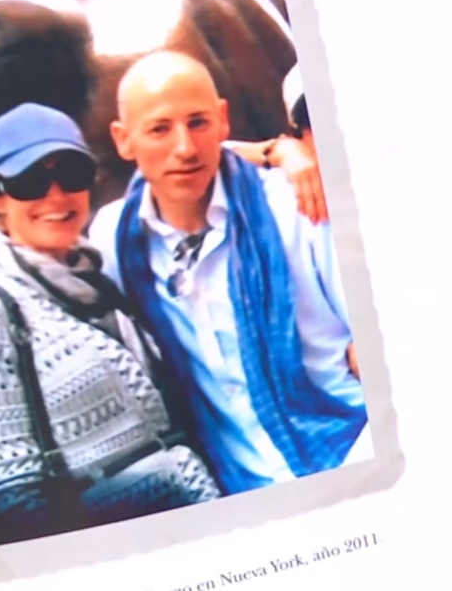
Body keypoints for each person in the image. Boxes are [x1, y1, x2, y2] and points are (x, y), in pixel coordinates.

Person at [87, 50, 370, 496]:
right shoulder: (114, 238)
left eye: (198, 122)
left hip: (349, 455)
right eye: (160, 129)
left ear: (222, 119)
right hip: (238, 491)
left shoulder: (297, 203)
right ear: (124, 140)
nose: (184, 147)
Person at [0, 102, 221, 545]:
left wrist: (279, 151)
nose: (56, 196)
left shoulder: (107, 275)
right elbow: (13, 492)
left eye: (72, 174)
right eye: (30, 181)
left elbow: (176, 176)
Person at [226, 62, 328, 225]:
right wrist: (281, 150)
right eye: (314, 119)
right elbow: (210, 158)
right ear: (298, 136)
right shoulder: (285, 198)